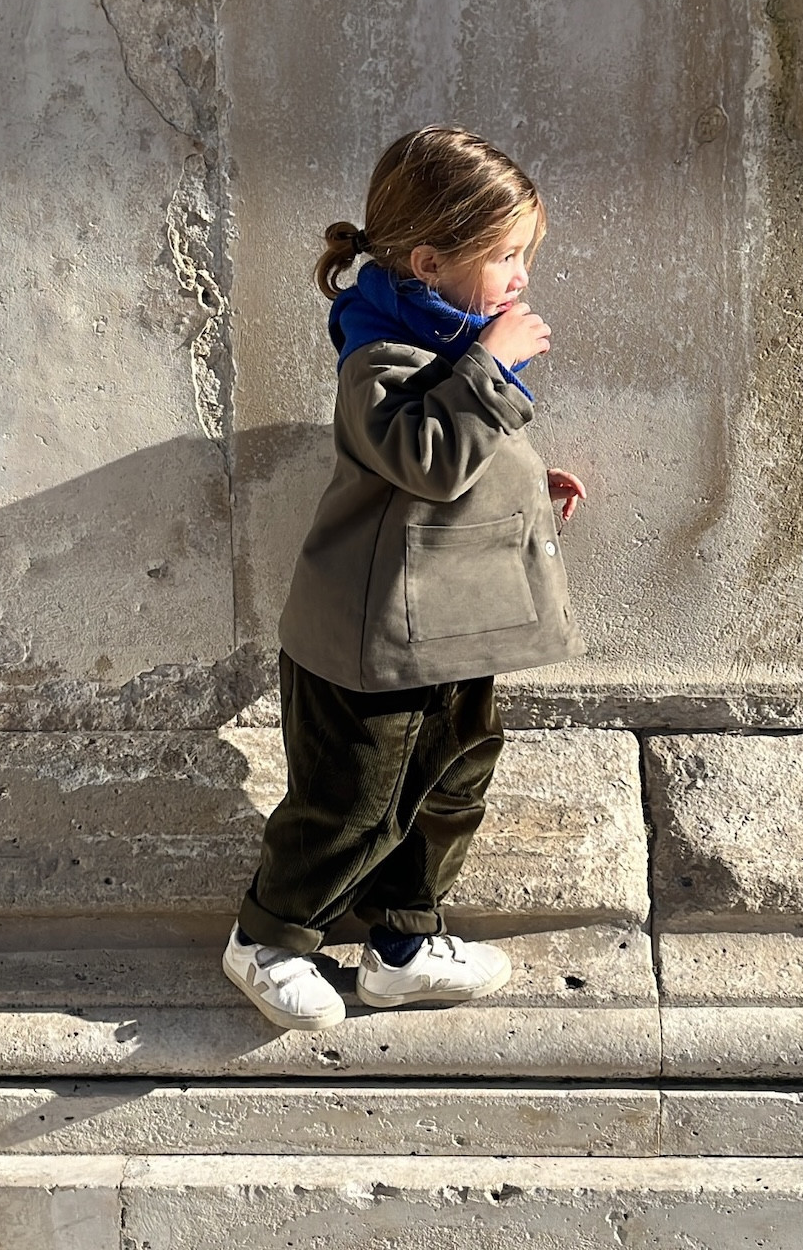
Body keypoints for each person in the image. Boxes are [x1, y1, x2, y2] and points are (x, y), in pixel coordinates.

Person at [223, 125, 586, 1031]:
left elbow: (455, 466)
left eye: (524, 255)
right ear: (428, 262)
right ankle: (267, 940)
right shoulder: (380, 355)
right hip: (371, 644)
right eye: (505, 255)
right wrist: (495, 366)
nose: (522, 276)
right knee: (352, 801)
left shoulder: (450, 343)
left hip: (454, 630)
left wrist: (526, 485)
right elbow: (422, 457)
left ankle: (404, 944)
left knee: (450, 785)